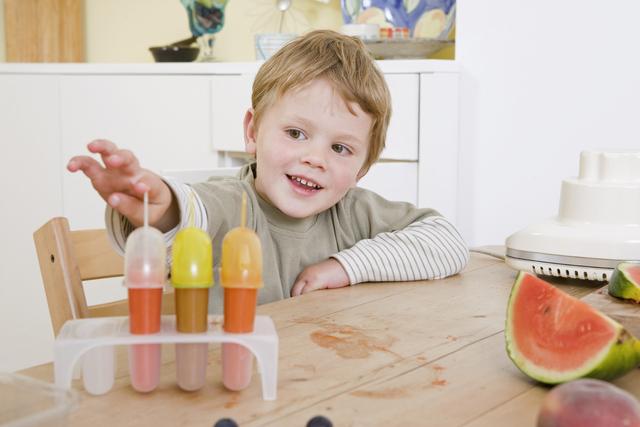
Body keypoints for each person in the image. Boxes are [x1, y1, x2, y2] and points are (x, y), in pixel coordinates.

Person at [67, 30, 469, 313]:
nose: (316, 158)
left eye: (340, 148)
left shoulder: (353, 211)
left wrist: (346, 266)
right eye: (296, 133)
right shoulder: (232, 204)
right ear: (252, 131)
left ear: (362, 168)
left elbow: (448, 242)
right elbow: (191, 211)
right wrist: (159, 205)